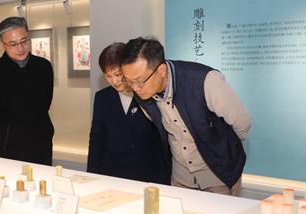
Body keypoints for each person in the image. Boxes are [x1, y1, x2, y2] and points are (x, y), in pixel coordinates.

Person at [119, 37, 251, 196]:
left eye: (139, 81)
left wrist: (224, 152)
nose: (135, 88)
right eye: (129, 81)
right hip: (180, 178)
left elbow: (242, 123)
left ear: (161, 70)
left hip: (219, 176)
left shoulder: (205, 80)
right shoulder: (142, 92)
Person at [87, 43, 171, 184]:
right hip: (112, 172)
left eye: (118, 74)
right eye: (108, 76)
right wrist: (91, 175)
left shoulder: (148, 93)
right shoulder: (103, 97)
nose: (114, 81)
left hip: (148, 174)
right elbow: (97, 138)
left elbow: (163, 139)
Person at [0, 16, 54, 165]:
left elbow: (45, 103)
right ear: (2, 44)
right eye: (13, 44)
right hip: (10, 144)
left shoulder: (43, 66)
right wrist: (4, 132)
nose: (21, 48)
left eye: (24, 41)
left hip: (41, 140)